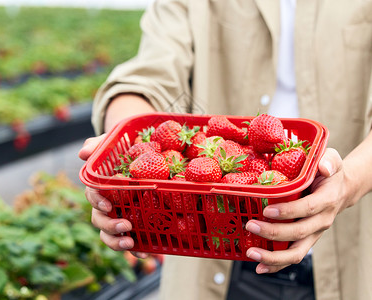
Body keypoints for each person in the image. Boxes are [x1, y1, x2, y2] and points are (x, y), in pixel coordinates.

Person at [79, 0, 372, 299]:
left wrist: (348, 182)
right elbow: (147, 76)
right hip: (206, 248)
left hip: (349, 259)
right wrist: (126, 143)